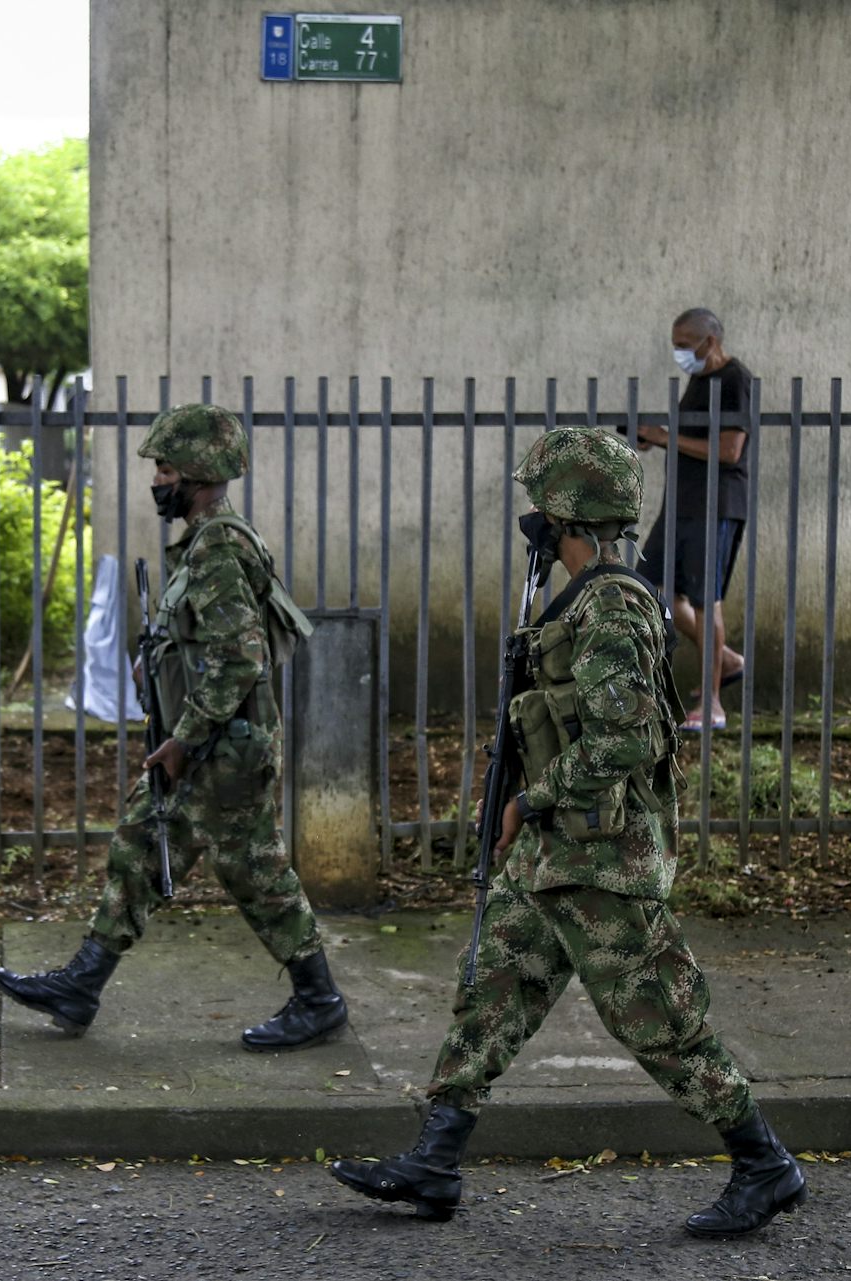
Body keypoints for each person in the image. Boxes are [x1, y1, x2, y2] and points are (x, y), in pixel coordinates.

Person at [330, 428, 804, 1237]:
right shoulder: (584, 599)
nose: (533, 522)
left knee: (655, 1015)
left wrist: (530, 799)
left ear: (568, 516)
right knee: (493, 990)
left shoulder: (615, 603)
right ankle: (436, 1161)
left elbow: (624, 742)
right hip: (556, 851)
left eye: (541, 507)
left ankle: (764, 1162)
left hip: (602, 859)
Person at [0, 404, 349, 1052]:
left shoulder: (217, 544)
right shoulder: (208, 538)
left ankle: (320, 999)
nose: (157, 479)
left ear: (196, 472)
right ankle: (83, 981)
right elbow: (206, 638)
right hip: (215, 739)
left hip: (224, 746)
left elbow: (241, 655)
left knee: (254, 869)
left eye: (165, 467)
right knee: (138, 845)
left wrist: (184, 740)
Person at [634, 307, 751, 732]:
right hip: (680, 503)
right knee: (651, 585)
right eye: (676, 344)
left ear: (710, 342)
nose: (679, 353)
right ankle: (726, 660)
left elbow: (728, 451)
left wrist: (666, 437)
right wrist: (656, 440)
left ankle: (713, 703)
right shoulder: (700, 380)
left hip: (714, 504)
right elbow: (694, 442)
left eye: (685, 345)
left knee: (704, 600)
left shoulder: (734, 379)